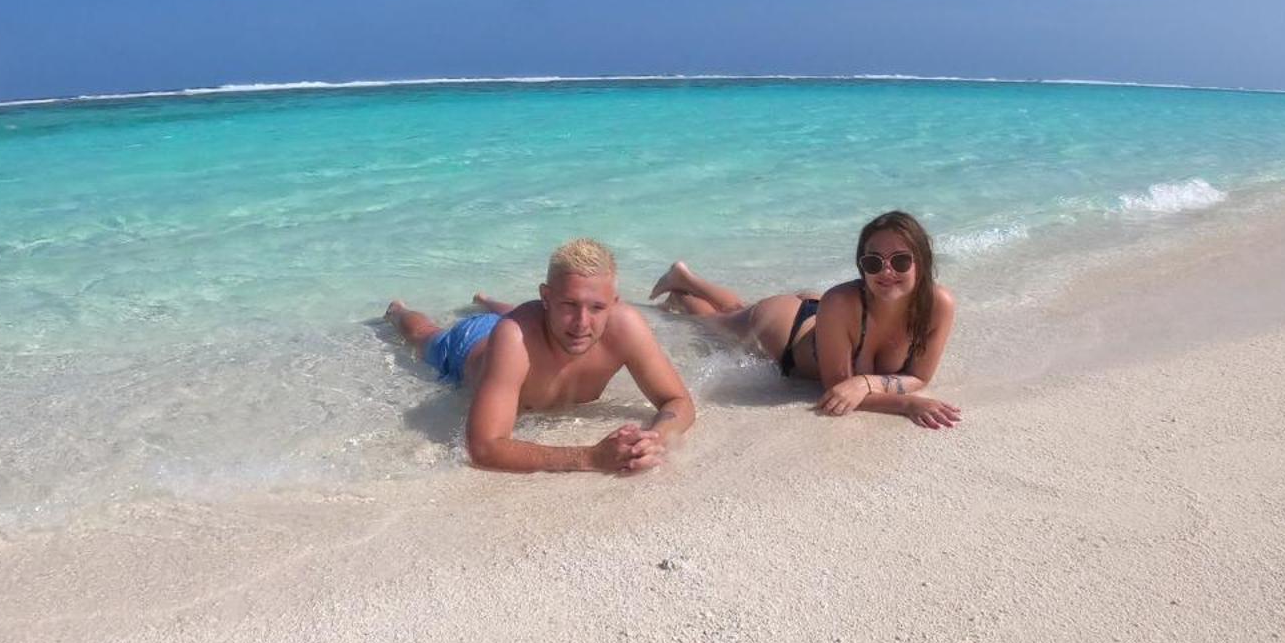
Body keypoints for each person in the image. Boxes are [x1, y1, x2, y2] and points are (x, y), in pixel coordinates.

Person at [384, 238, 696, 474]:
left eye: (597, 308)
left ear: (613, 303)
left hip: (531, 323)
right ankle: (396, 311)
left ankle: (487, 300)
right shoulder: (514, 337)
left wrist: (656, 437)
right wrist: (591, 457)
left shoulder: (625, 326)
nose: (582, 322)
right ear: (546, 297)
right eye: (569, 304)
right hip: (471, 344)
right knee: (424, 335)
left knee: (538, 321)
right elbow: (483, 447)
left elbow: (678, 401)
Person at [649, 210, 961, 429]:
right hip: (788, 328)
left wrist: (864, 382)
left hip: (823, 318)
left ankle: (685, 278)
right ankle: (683, 292)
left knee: (734, 311)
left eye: (901, 260)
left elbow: (919, 377)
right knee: (715, 325)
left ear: (922, 262)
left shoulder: (938, 304)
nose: (887, 271)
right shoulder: (842, 300)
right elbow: (838, 390)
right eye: (873, 262)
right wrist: (907, 404)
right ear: (861, 267)